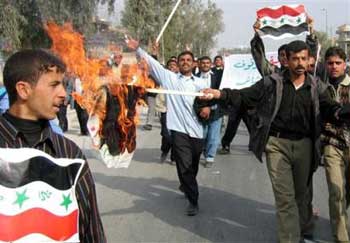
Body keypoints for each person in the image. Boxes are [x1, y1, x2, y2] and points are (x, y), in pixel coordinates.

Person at [200, 40, 350, 243]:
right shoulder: (272, 82)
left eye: (303, 59)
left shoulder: (316, 86)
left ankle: (304, 226)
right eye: (295, 58)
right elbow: (246, 96)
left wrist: (341, 112)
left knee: (302, 195)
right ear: (286, 60)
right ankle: (290, 239)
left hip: (305, 145)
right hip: (277, 146)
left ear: (309, 61)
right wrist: (220, 93)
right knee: (285, 199)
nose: (299, 63)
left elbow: (331, 108)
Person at [0, 49, 106, 242]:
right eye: (54, 85)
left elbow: (90, 226)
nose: (63, 94)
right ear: (23, 89)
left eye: (63, 84)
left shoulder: (69, 154)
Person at [126, 36, 209, 216]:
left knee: (192, 166)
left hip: (197, 132)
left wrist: (208, 109)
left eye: (188, 60)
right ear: (178, 64)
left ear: (194, 64)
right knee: (184, 165)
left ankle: (187, 184)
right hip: (178, 131)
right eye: (182, 60)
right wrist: (138, 48)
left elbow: (211, 104)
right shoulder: (170, 78)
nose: (185, 63)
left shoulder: (202, 83)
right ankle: (193, 200)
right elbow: (151, 64)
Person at [321, 46, 350, 242]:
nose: (334, 67)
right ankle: (341, 238)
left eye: (338, 63)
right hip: (332, 144)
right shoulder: (320, 87)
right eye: (330, 63)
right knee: (336, 191)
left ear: (345, 64)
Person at [196, 56, 222, 167]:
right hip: (200, 111)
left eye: (207, 63)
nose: (205, 65)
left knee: (213, 135)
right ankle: (206, 151)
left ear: (210, 64)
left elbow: (221, 92)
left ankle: (210, 157)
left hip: (216, 110)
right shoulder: (194, 77)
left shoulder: (218, 77)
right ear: (199, 64)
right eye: (203, 63)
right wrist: (201, 108)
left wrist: (210, 107)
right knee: (204, 135)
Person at [156, 58, 178, 163]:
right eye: (170, 65)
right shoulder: (162, 78)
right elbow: (154, 67)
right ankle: (164, 150)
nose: (172, 67)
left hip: (178, 111)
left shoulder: (181, 79)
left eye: (174, 65)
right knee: (166, 134)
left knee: (177, 135)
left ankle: (174, 157)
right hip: (164, 109)